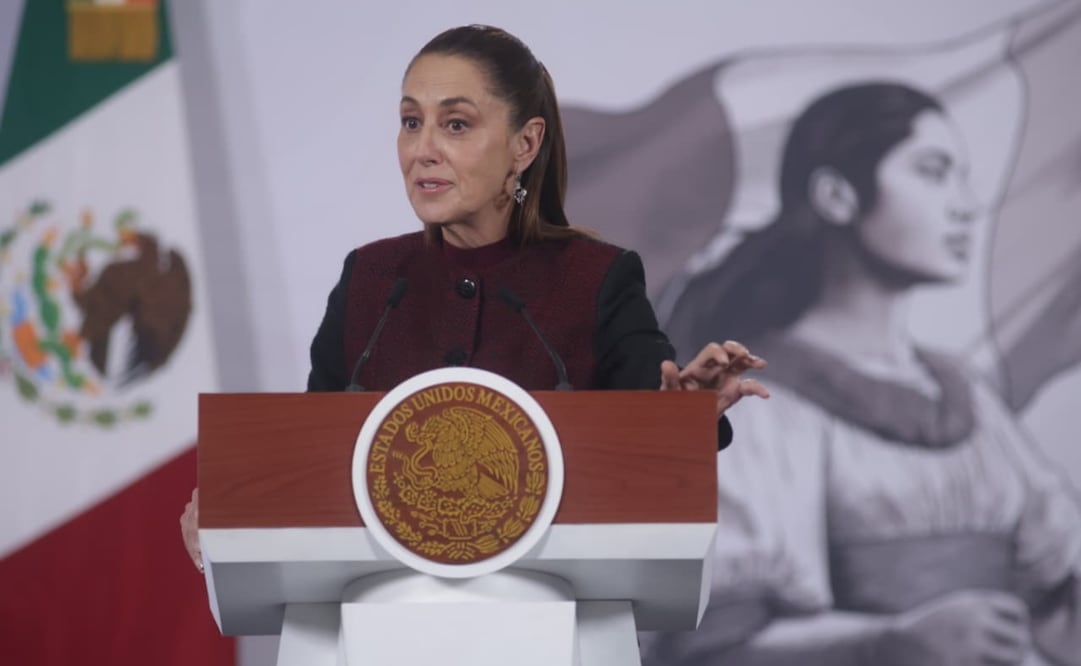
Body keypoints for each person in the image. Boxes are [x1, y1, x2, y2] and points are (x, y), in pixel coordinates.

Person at [179, 25, 769, 575]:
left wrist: (682, 417)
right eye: (411, 122)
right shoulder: (371, 279)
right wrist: (232, 512)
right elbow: (313, 464)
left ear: (524, 143)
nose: (423, 150)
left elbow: (649, 441)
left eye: (455, 125)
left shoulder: (598, 279)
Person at [643, 83, 1081, 666]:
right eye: (933, 171)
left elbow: (1057, 601)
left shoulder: (967, 394)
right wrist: (892, 640)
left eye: (961, 175)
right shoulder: (758, 401)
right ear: (837, 195)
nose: (964, 204)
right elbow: (711, 644)